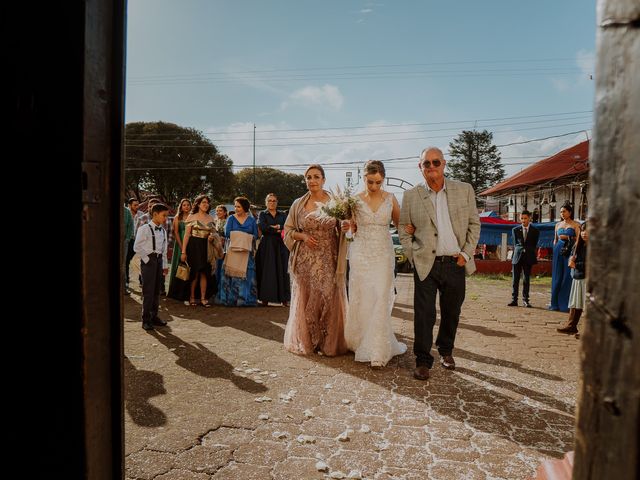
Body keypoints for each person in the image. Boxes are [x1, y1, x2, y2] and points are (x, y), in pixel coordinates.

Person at [399, 147, 480, 380]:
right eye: (427, 163)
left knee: (451, 311)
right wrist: (413, 255)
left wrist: (466, 253)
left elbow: (475, 225)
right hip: (426, 263)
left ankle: (446, 350)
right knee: (424, 314)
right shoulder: (411, 195)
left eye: (436, 162)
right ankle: (423, 360)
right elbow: (404, 230)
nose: (431, 167)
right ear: (420, 167)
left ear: (444, 164)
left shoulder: (464, 190)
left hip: (455, 262)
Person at [344, 160, 407, 367]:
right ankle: (360, 339)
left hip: (383, 252)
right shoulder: (354, 200)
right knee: (363, 295)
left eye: (378, 182)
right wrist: (347, 228)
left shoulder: (390, 199)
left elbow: (400, 225)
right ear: (363, 178)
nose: (373, 186)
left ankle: (378, 346)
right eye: (370, 182)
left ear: (383, 180)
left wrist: (411, 232)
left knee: (381, 294)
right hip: (360, 252)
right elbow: (350, 230)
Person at [283, 164, 348, 356]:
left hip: (329, 257)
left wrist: (346, 227)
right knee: (307, 297)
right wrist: (302, 237)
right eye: (309, 177)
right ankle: (310, 341)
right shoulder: (298, 204)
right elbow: (288, 230)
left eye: (316, 177)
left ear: (324, 180)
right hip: (305, 259)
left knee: (328, 295)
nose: (312, 181)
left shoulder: (336, 202)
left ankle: (328, 342)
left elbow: (345, 227)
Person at [215, 196, 258, 306]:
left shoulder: (252, 220)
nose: (236, 208)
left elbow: (255, 235)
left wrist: (242, 236)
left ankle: (245, 300)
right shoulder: (231, 219)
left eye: (238, 206)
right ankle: (230, 299)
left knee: (246, 274)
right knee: (230, 274)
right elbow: (227, 233)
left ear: (244, 207)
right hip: (233, 250)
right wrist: (243, 236)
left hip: (246, 252)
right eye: (235, 206)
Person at [133, 203, 170, 330]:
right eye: (164, 215)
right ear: (155, 214)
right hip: (149, 261)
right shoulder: (144, 229)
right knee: (148, 291)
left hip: (159, 261)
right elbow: (137, 246)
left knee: (156, 290)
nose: (166, 218)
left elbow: (164, 250)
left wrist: (164, 265)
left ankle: (154, 316)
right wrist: (147, 259)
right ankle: (146, 319)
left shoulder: (163, 231)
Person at [180, 195, 218, 307]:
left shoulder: (211, 218)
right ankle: (192, 297)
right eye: (203, 202)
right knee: (194, 273)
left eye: (207, 203)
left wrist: (212, 237)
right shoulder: (191, 217)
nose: (206, 205)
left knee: (205, 273)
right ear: (198, 204)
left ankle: (203, 298)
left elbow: (214, 233)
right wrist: (183, 252)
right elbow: (186, 235)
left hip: (206, 247)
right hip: (194, 247)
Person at [256, 193, 290, 307]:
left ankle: (284, 299)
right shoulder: (262, 214)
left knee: (283, 269)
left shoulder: (283, 214)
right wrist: (277, 229)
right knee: (267, 270)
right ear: (266, 202)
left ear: (277, 202)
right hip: (267, 245)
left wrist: (277, 227)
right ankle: (265, 298)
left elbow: (287, 226)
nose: (272, 202)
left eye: (274, 200)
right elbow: (263, 227)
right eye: (269, 200)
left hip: (281, 245)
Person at [557, 221, 588, 335]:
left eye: (587, 230)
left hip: (587, 279)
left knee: (587, 305)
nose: (584, 233)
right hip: (577, 277)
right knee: (575, 303)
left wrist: (576, 265)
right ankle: (571, 326)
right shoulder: (578, 244)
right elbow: (572, 255)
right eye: (583, 230)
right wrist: (571, 259)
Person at [549, 203, 581, 312]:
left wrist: (574, 254)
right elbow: (555, 239)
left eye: (564, 211)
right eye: (561, 211)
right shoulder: (557, 225)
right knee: (557, 276)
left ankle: (565, 304)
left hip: (570, 250)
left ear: (570, 212)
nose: (562, 213)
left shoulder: (576, 225)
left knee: (567, 277)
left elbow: (578, 240)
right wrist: (555, 249)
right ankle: (554, 304)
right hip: (558, 250)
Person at [508, 210, 540, 308]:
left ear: (529, 218)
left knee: (526, 279)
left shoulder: (535, 231)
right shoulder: (515, 230)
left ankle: (525, 300)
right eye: (521, 218)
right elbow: (515, 244)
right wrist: (517, 252)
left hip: (528, 257)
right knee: (515, 279)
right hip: (517, 256)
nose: (523, 220)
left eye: (525, 218)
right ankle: (514, 300)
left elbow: (534, 244)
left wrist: (528, 251)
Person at [167, 198, 192, 301]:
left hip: (191, 243)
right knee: (179, 266)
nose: (186, 207)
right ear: (181, 207)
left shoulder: (193, 217)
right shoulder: (177, 217)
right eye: (184, 205)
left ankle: (187, 292)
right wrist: (182, 248)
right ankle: (176, 291)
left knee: (189, 267)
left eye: (188, 205)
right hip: (180, 243)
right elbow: (176, 232)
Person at [125, 197, 140, 289]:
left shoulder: (141, 215)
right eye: (135, 205)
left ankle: (142, 280)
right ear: (129, 205)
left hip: (138, 242)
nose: (137, 207)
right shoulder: (126, 214)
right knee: (126, 261)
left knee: (139, 261)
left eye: (138, 205)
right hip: (129, 240)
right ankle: (126, 280)